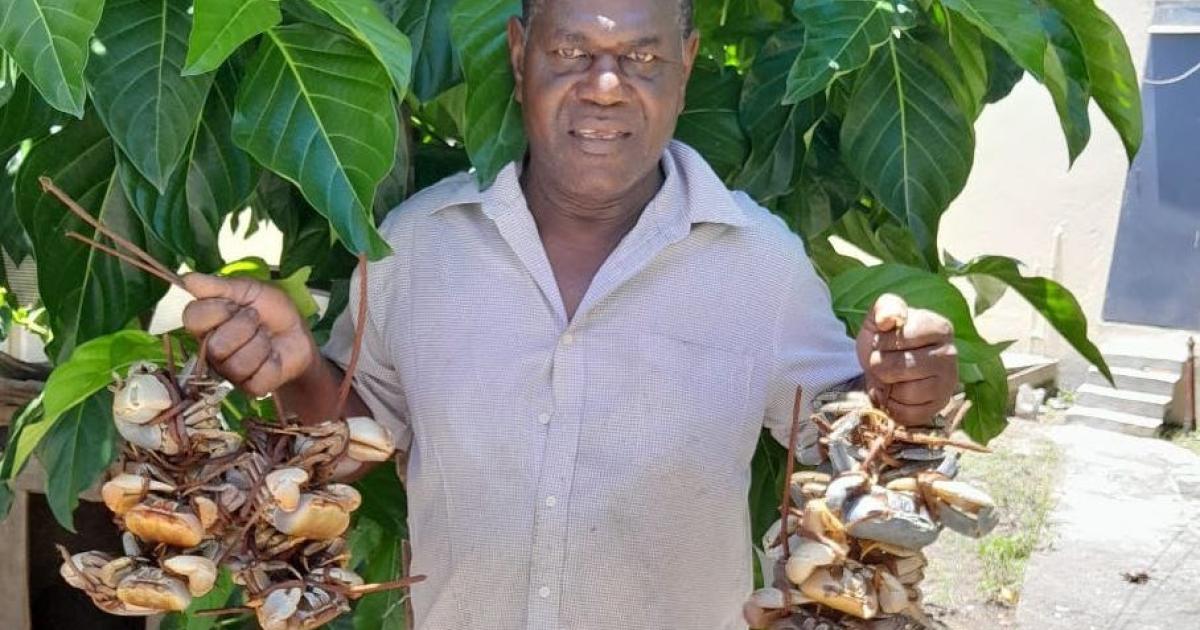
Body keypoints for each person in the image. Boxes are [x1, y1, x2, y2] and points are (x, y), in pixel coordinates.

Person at [181, 0, 958, 627]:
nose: (607, 86)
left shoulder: (761, 264)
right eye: (572, 52)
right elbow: (349, 442)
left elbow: (850, 445)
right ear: (520, 56)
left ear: (686, 68)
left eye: (643, 58)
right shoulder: (415, 247)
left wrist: (906, 397)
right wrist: (298, 369)